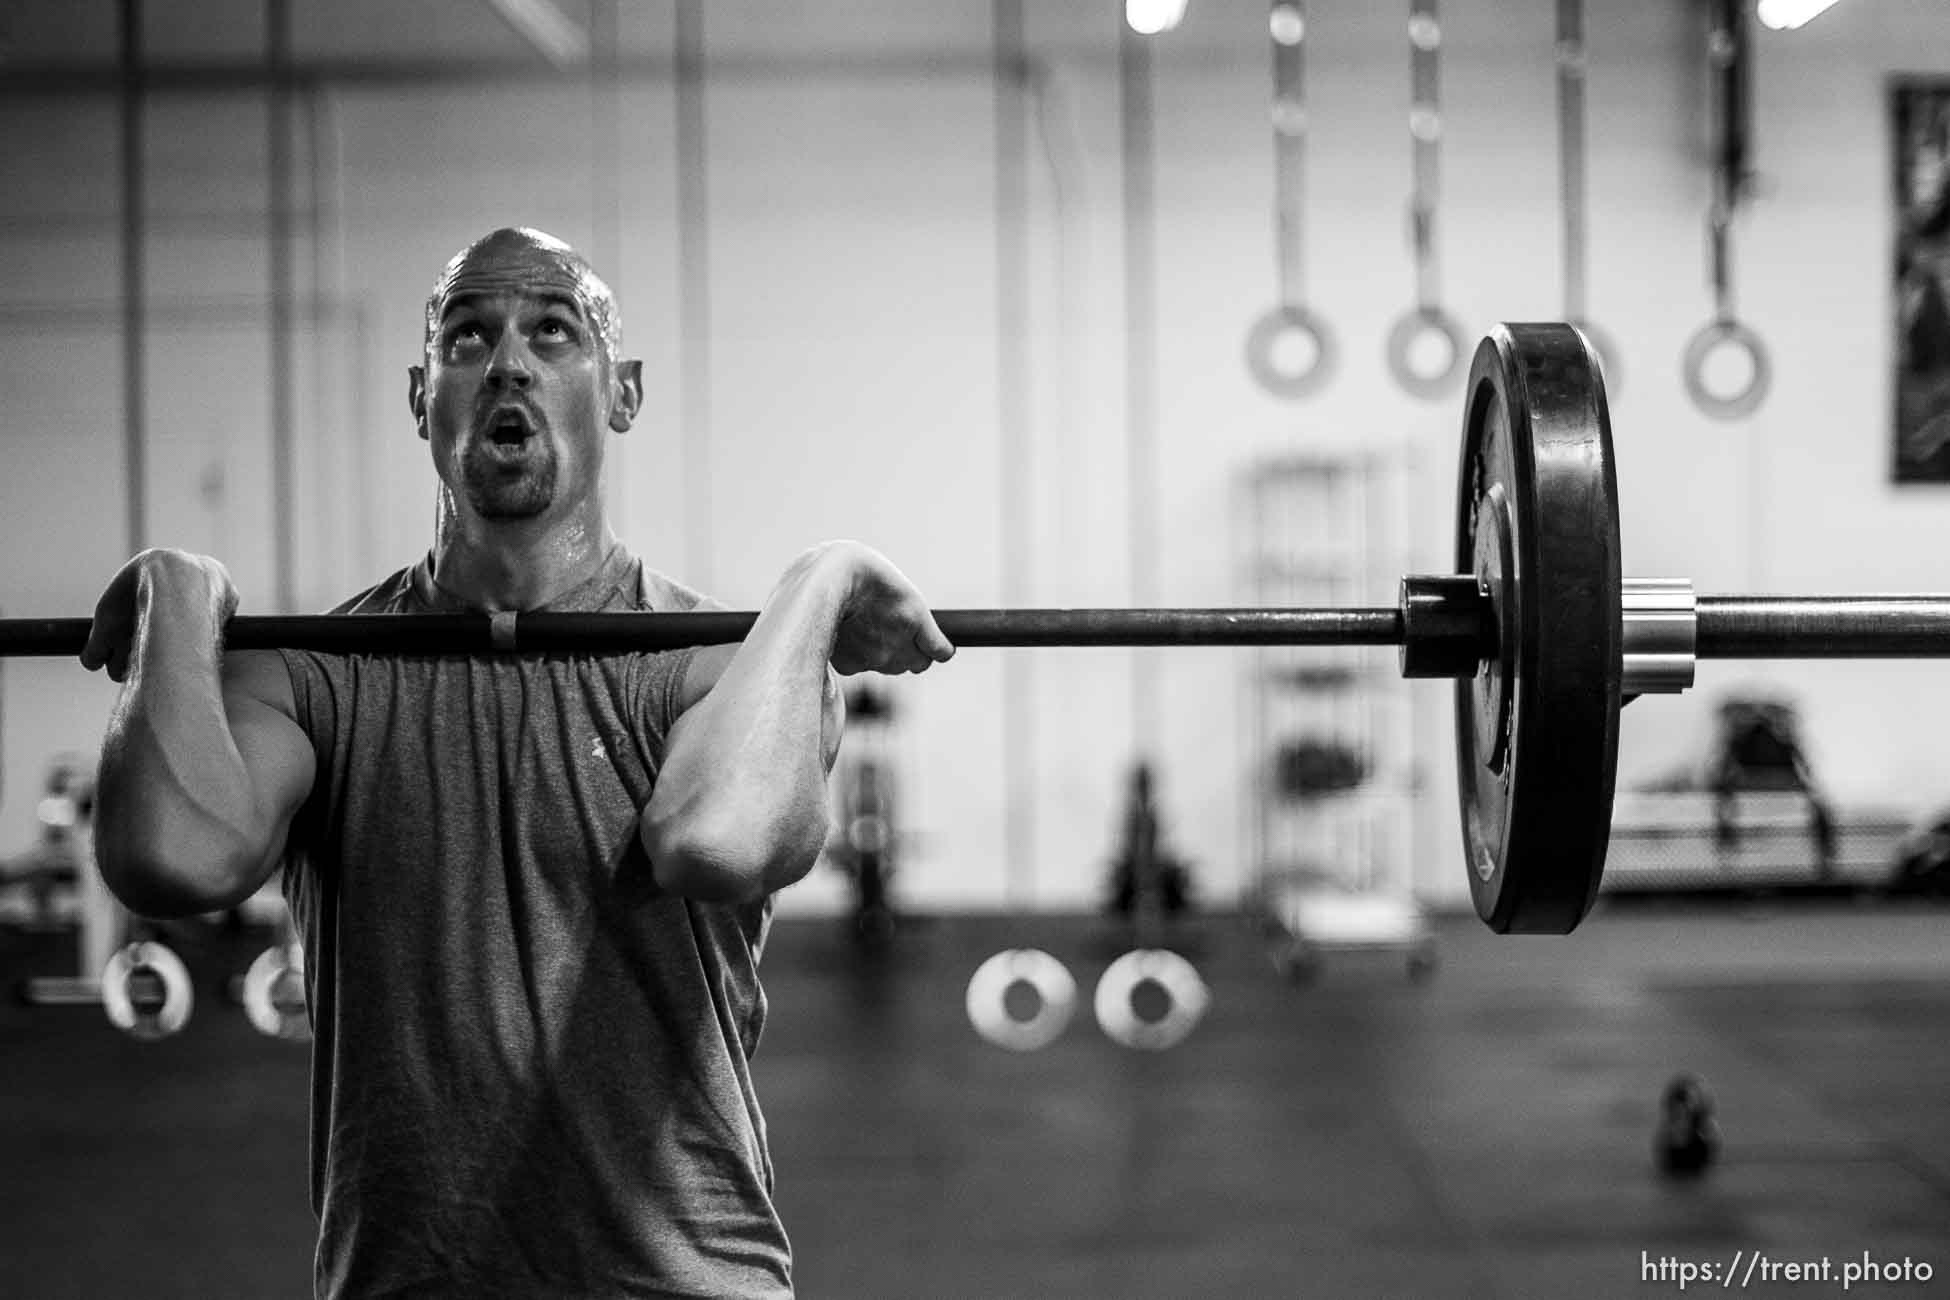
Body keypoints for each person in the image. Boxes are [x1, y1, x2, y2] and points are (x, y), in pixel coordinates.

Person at [81, 226, 955, 1298]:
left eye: (554, 331)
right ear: (422, 398)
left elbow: (716, 839)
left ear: (623, 392)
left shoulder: (723, 666)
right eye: (468, 336)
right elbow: (170, 859)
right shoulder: (320, 674)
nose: (508, 362)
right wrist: (181, 592)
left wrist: (822, 580)